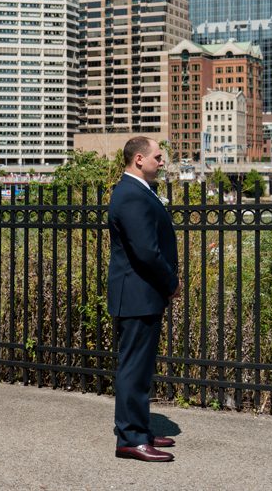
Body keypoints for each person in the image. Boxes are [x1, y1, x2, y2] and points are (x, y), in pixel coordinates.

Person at [108, 137, 180, 462]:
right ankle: (130, 439)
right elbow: (147, 252)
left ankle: (141, 430)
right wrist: (172, 283)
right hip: (137, 294)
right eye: (158, 156)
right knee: (133, 369)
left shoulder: (139, 192)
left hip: (143, 295)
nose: (162, 161)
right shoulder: (130, 195)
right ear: (139, 159)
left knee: (140, 368)